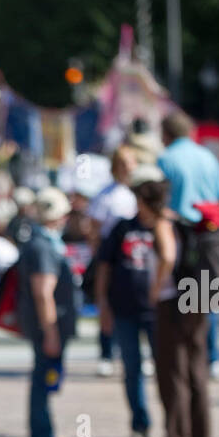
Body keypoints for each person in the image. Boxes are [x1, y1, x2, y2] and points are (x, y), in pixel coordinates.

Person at [157, 109, 219, 389]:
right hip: (211, 234)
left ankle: (189, 353)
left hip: (183, 235)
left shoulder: (166, 158)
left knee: (184, 298)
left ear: (166, 133)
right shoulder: (207, 156)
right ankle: (212, 356)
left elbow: (161, 201)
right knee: (207, 298)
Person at [144, 174, 210, 437]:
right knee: (196, 367)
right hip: (197, 295)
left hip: (173, 301)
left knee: (173, 371)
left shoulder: (162, 223)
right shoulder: (184, 220)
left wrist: (156, 289)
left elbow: (168, 256)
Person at [95, 172, 162, 437]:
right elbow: (104, 266)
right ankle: (140, 423)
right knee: (132, 368)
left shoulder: (164, 228)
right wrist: (102, 303)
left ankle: (174, 424)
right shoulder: (122, 227)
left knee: (166, 369)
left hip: (158, 311)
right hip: (124, 308)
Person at [17, 187, 77, 437]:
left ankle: (44, 433)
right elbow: (43, 293)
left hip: (49, 323)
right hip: (48, 325)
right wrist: (51, 331)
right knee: (43, 379)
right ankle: (42, 436)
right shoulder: (43, 246)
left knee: (45, 378)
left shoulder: (43, 242)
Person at [87, 145, 140, 378]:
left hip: (135, 258)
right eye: (124, 164)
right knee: (106, 304)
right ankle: (106, 353)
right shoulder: (105, 195)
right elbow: (94, 230)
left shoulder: (138, 194)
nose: (128, 169)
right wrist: (101, 258)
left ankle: (136, 353)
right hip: (111, 258)